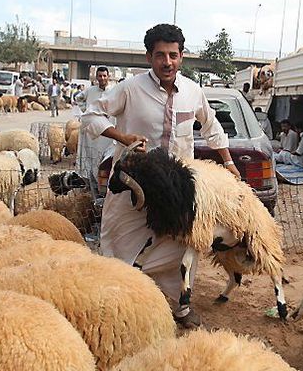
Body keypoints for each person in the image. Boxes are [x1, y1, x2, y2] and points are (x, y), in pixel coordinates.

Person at [82, 23, 236, 328]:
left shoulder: (193, 91)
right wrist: (123, 137)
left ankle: (180, 307)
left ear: (182, 56)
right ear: (149, 57)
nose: (167, 62)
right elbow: (91, 114)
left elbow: (212, 127)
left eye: (173, 55)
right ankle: (120, 301)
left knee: (182, 244)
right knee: (118, 241)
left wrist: (228, 162)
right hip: (132, 186)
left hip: (176, 189)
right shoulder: (130, 88)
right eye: (160, 55)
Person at [77, 66, 116, 177]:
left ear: (108, 77)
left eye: (104, 76)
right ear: (96, 77)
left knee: (106, 157)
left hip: (107, 131)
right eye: (100, 76)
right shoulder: (91, 90)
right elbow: (78, 98)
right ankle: (90, 180)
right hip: (92, 132)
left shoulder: (114, 91)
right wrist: (86, 111)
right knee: (91, 156)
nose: (102, 78)